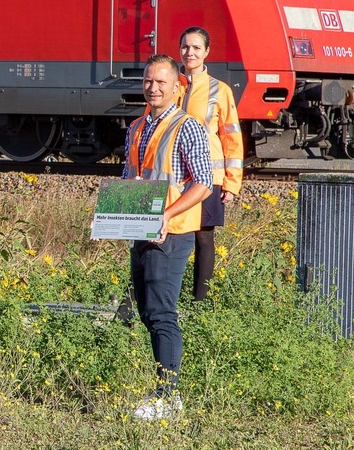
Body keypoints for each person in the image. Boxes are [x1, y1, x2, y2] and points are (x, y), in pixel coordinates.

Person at [122, 54, 212, 421]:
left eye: (161, 82)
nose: (153, 87)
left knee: (161, 313)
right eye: (148, 81)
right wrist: (113, 220)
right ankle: (163, 388)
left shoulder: (187, 126)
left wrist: (168, 214)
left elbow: (203, 182)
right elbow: (131, 179)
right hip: (142, 233)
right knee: (147, 311)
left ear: (178, 87)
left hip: (171, 234)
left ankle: (168, 395)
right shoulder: (137, 127)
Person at [178, 27, 244, 301]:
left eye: (195, 48)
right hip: (175, 175)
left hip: (209, 176)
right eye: (185, 47)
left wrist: (232, 182)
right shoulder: (169, 84)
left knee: (204, 239)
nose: (189, 53)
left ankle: (200, 303)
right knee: (169, 235)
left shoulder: (220, 90)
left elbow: (232, 138)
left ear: (207, 52)